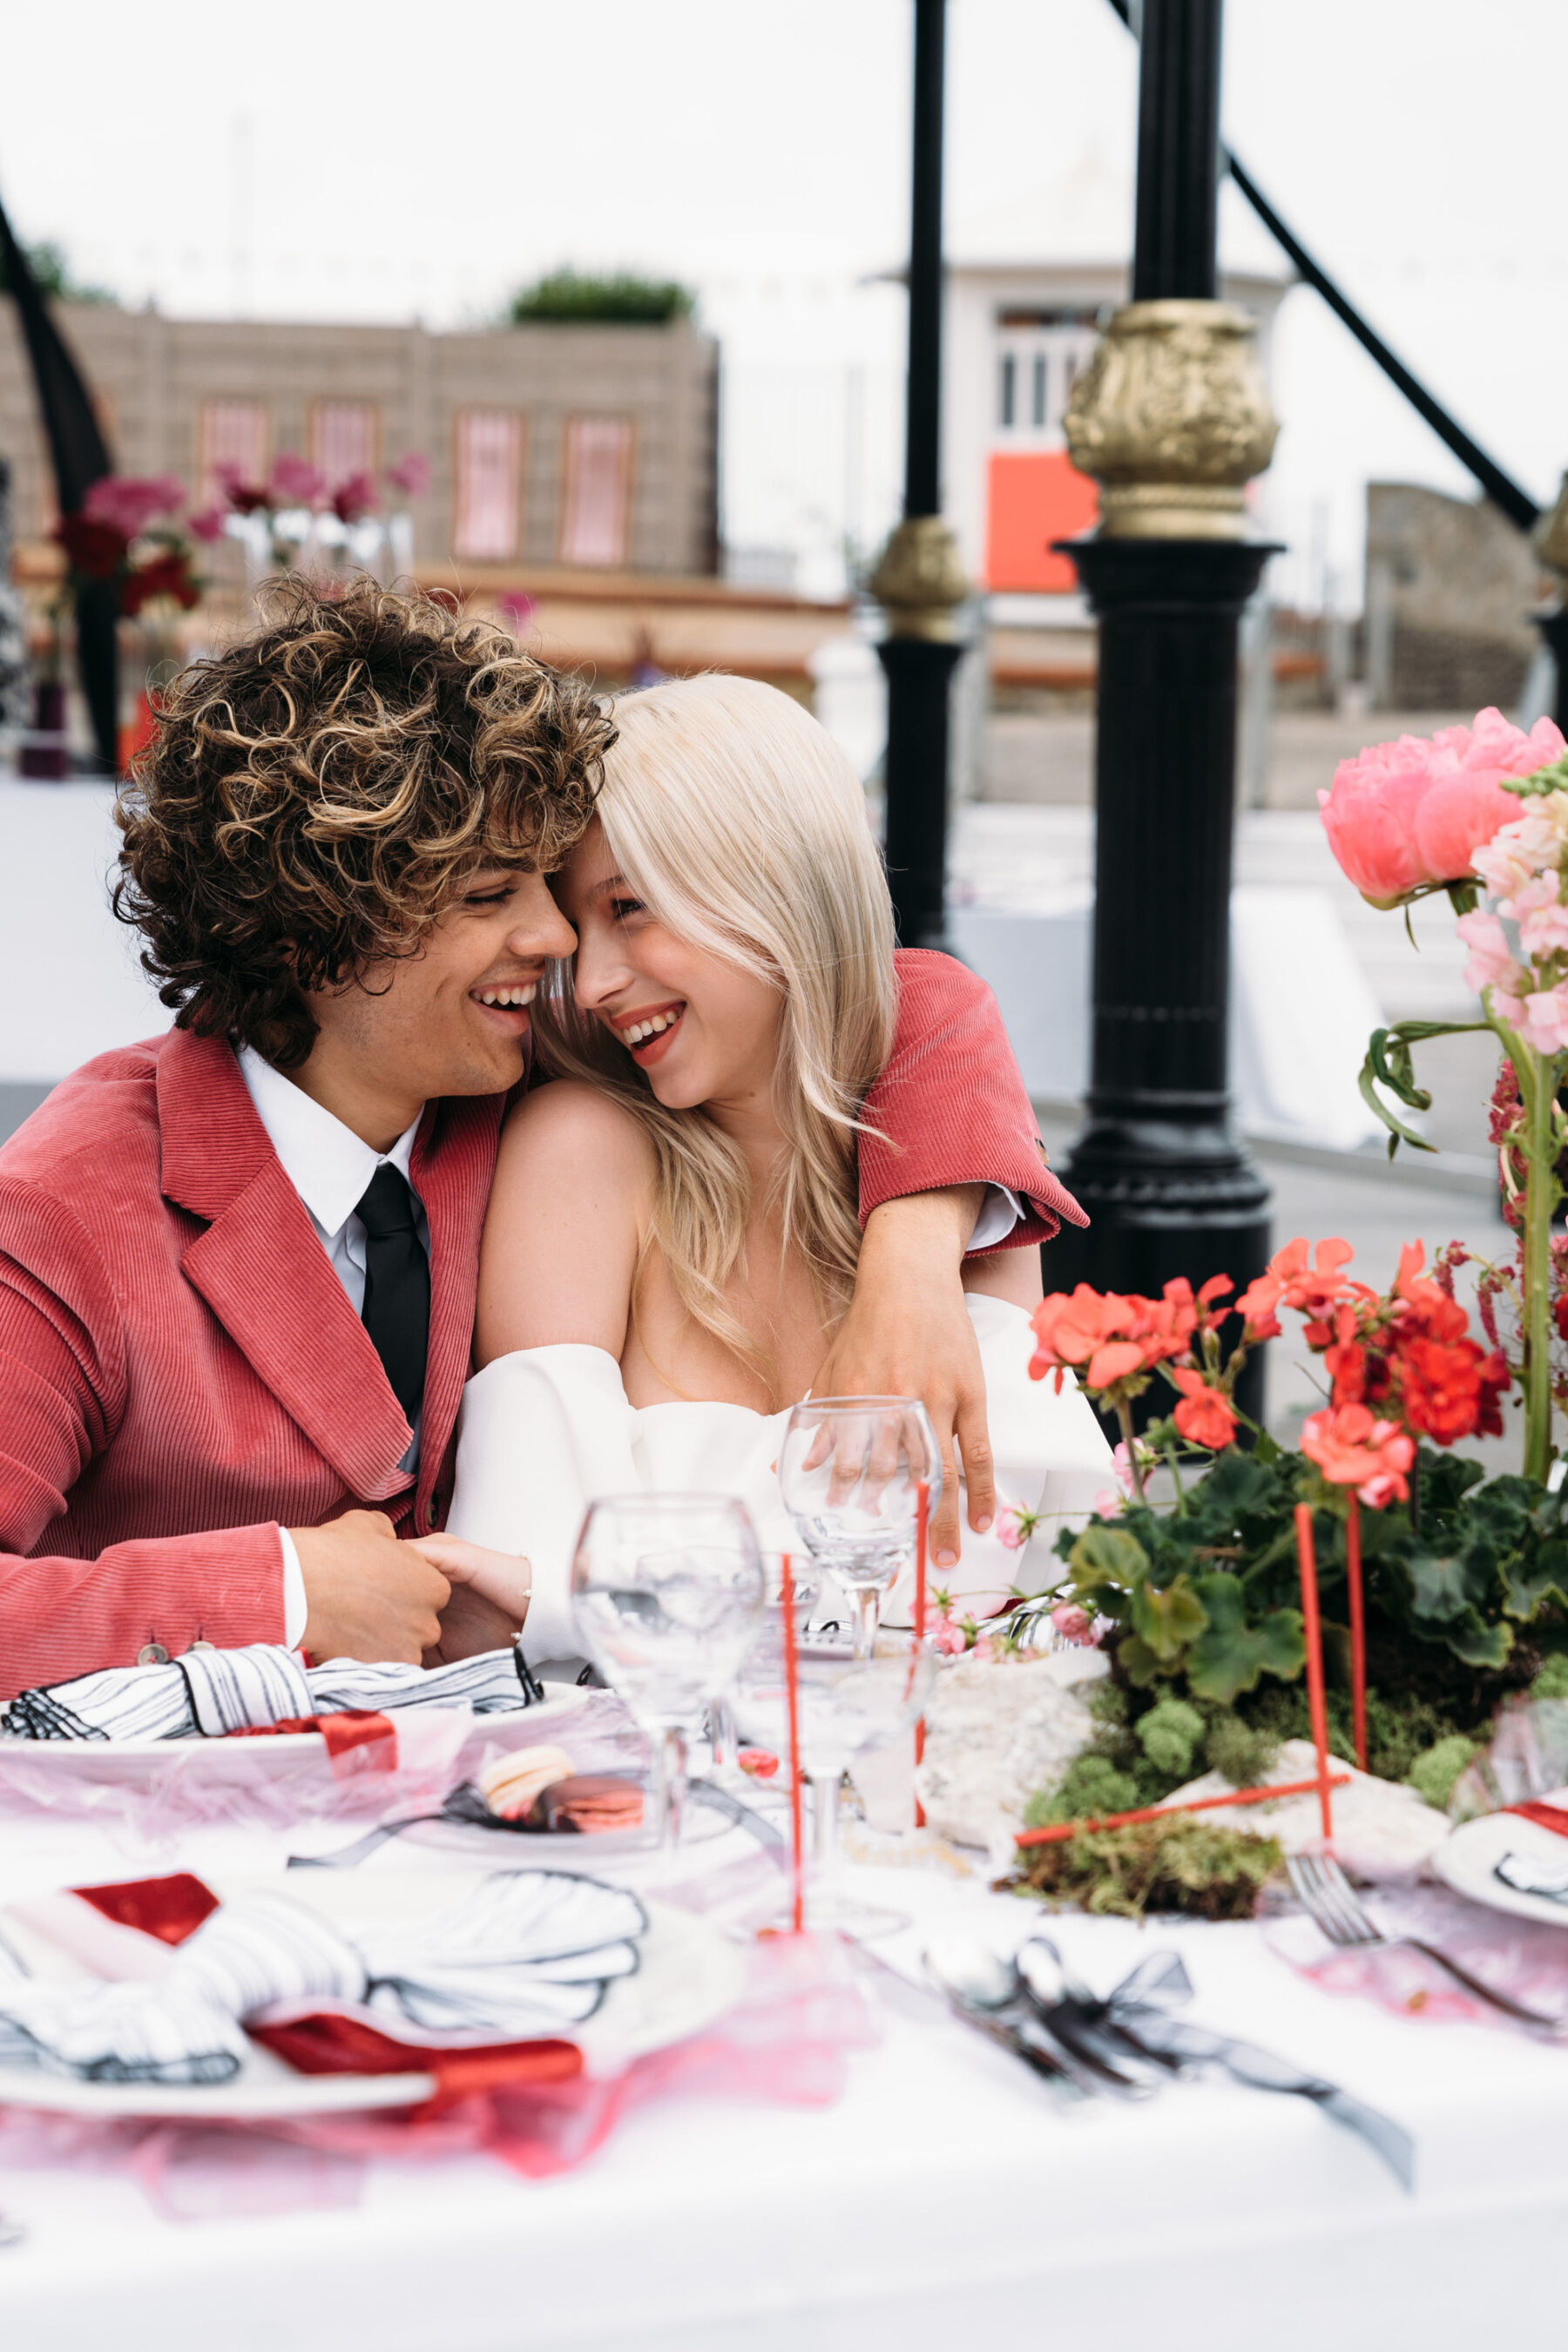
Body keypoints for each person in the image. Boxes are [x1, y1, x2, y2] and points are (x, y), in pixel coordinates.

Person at [0, 585, 1075, 1702]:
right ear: (319, 931)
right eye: (492, 892)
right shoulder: (67, 1209)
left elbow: (881, 995)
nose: (559, 941)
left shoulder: (494, 1072)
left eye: (558, 891)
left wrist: (911, 1249)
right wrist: (282, 1590)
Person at [443, 674, 1111, 1666]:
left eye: (630, 908)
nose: (591, 983)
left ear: (774, 879)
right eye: (582, 934)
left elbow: (1010, 1597)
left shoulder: (951, 1185)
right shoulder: (584, 1154)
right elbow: (501, 1612)